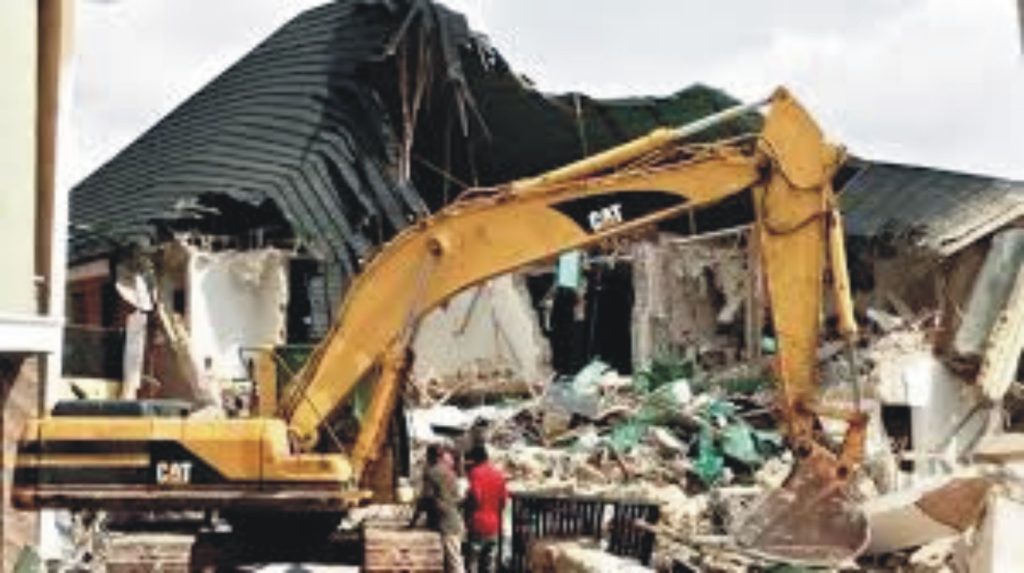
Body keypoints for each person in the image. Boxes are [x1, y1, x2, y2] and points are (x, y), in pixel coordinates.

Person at [410, 444, 465, 573]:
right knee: (452, 560)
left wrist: (413, 522)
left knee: (454, 562)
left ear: (429, 456)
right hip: (454, 519)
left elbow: (425, 499)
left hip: (445, 523)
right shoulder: (450, 472)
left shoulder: (431, 472)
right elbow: (457, 497)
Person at [464, 444, 508, 573]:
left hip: (478, 523)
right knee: (489, 563)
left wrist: (466, 505)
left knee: (473, 561)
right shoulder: (498, 474)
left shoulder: (475, 473)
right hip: (494, 524)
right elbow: (504, 500)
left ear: (475, 459)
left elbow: (476, 497)